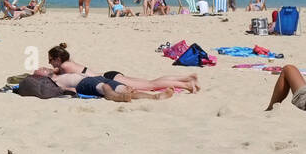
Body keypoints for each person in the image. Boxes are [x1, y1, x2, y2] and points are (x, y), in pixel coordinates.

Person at [41, 43, 199, 92]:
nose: (49, 63)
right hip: (110, 75)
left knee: (150, 86)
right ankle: (185, 78)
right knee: (149, 83)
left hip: (109, 78)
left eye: (50, 60)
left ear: (58, 59)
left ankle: (186, 85)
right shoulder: (67, 63)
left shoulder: (66, 66)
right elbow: (53, 72)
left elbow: (58, 75)